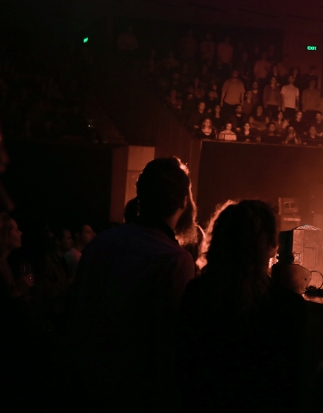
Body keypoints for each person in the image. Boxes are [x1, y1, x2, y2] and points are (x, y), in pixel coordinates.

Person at [68, 157, 197, 410]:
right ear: (184, 200)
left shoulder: (102, 243)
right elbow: (171, 344)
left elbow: (77, 311)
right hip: (140, 392)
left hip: (89, 383)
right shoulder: (175, 260)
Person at [176, 200, 305, 412]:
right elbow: (289, 387)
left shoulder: (197, 293)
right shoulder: (288, 307)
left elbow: (184, 370)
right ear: (273, 246)